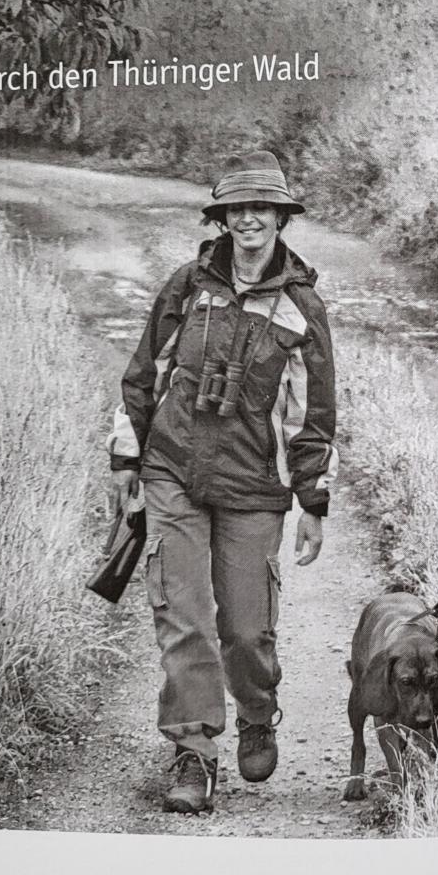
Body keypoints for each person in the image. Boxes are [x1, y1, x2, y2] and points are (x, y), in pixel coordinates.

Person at [107, 150, 337, 814]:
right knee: (184, 621)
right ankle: (194, 751)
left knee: (245, 630)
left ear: (281, 217)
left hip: (254, 486)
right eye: (237, 208)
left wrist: (314, 501)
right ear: (222, 217)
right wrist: (127, 460)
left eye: (261, 207)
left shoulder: (301, 307)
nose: (248, 219)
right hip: (173, 470)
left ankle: (257, 712)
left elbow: (312, 415)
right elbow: (144, 373)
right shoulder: (187, 286)